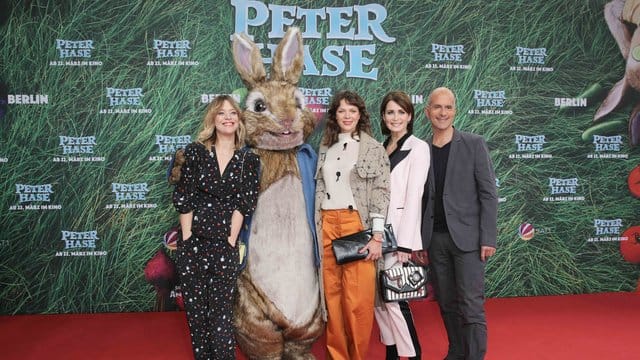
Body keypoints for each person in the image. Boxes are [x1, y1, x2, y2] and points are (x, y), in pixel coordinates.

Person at [171, 95, 260, 360]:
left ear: (239, 119)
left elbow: (243, 205)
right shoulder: (195, 153)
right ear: (213, 118)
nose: (228, 117)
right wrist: (187, 239)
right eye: (221, 113)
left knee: (220, 316)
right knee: (197, 315)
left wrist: (231, 240)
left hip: (224, 245)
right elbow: (184, 198)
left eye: (233, 112)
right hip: (194, 244)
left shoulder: (248, 161)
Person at [421, 87, 498, 360]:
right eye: (437, 107)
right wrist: (419, 241)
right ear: (427, 111)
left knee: (470, 304)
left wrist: (488, 237)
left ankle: (475, 356)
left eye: (448, 107)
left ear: (455, 111)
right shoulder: (421, 150)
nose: (443, 113)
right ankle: (456, 351)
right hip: (435, 239)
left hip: (468, 240)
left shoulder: (473, 143)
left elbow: (489, 193)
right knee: (446, 302)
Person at [314, 90, 391, 360]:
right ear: (335, 115)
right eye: (341, 111)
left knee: (357, 301)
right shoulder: (326, 147)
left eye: (352, 110)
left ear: (360, 115)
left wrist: (377, 236)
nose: (347, 115)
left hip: (356, 224)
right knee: (332, 301)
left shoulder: (372, 147)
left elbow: (382, 191)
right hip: (326, 223)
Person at [375, 91, 430, 360]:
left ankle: (413, 353)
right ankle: (392, 351)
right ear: (383, 117)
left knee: (395, 297)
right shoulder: (381, 146)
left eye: (400, 112)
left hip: (398, 236)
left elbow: (414, 197)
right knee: (379, 298)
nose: (395, 117)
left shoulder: (419, 147)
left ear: (409, 115)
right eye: (390, 112)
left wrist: (406, 244)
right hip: (376, 234)